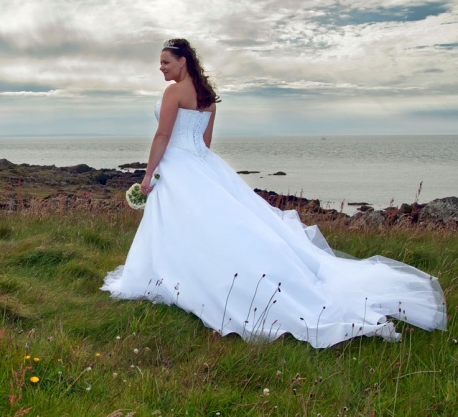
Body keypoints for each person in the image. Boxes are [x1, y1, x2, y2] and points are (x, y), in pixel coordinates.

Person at [101, 38, 446, 348]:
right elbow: (205, 144)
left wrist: (149, 174)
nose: (161, 68)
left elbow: (162, 136)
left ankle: (174, 277)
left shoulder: (174, 93)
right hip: (202, 165)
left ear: (183, 62)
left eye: (166, 62)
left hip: (177, 165)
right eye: (160, 63)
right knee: (216, 225)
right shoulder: (207, 97)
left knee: (182, 225)